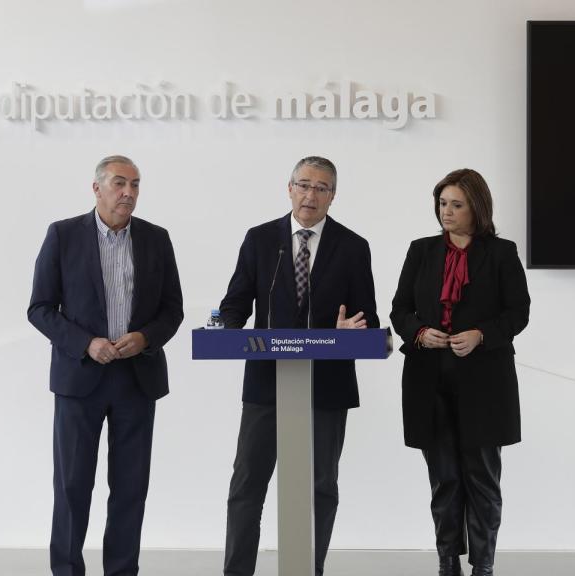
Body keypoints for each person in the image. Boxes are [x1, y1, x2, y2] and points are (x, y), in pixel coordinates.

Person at [218, 156, 378, 576]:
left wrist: (352, 328)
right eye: (303, 185)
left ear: (333, 196)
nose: (311, 195)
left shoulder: (353, 246)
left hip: (326, 385)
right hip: (267, 382)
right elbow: (235, 304)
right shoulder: (259, 239)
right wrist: (229, 331)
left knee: (320, 487)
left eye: (321, 188)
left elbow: (371, 321)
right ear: (288, 188)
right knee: (247, 485)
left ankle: (310, 569)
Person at [27, 155, 184, 576]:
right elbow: (40, 308)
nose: (128, 193)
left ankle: (121, 571)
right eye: (119, 183)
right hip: (80, 380)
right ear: (96, 188)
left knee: (131, 490)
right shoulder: (63, 236)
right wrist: (86, 343)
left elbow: (173, 310)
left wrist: (146, 338)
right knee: (73, 487)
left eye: (135, 184)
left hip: (138, 380)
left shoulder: (157, 238)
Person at [390, 168, 530, 576]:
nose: (446, 212)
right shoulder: (421, 250)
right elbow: (400, 309)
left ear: (477, 208)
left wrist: (480, 335)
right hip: (428, 378)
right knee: (444, 478)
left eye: (456, 204)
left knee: (482, 478)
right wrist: (419, 332)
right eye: (442, 204)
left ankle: (483, 565)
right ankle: (447, 562)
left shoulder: (502, 253)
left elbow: (517, 313)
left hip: (485, 382)